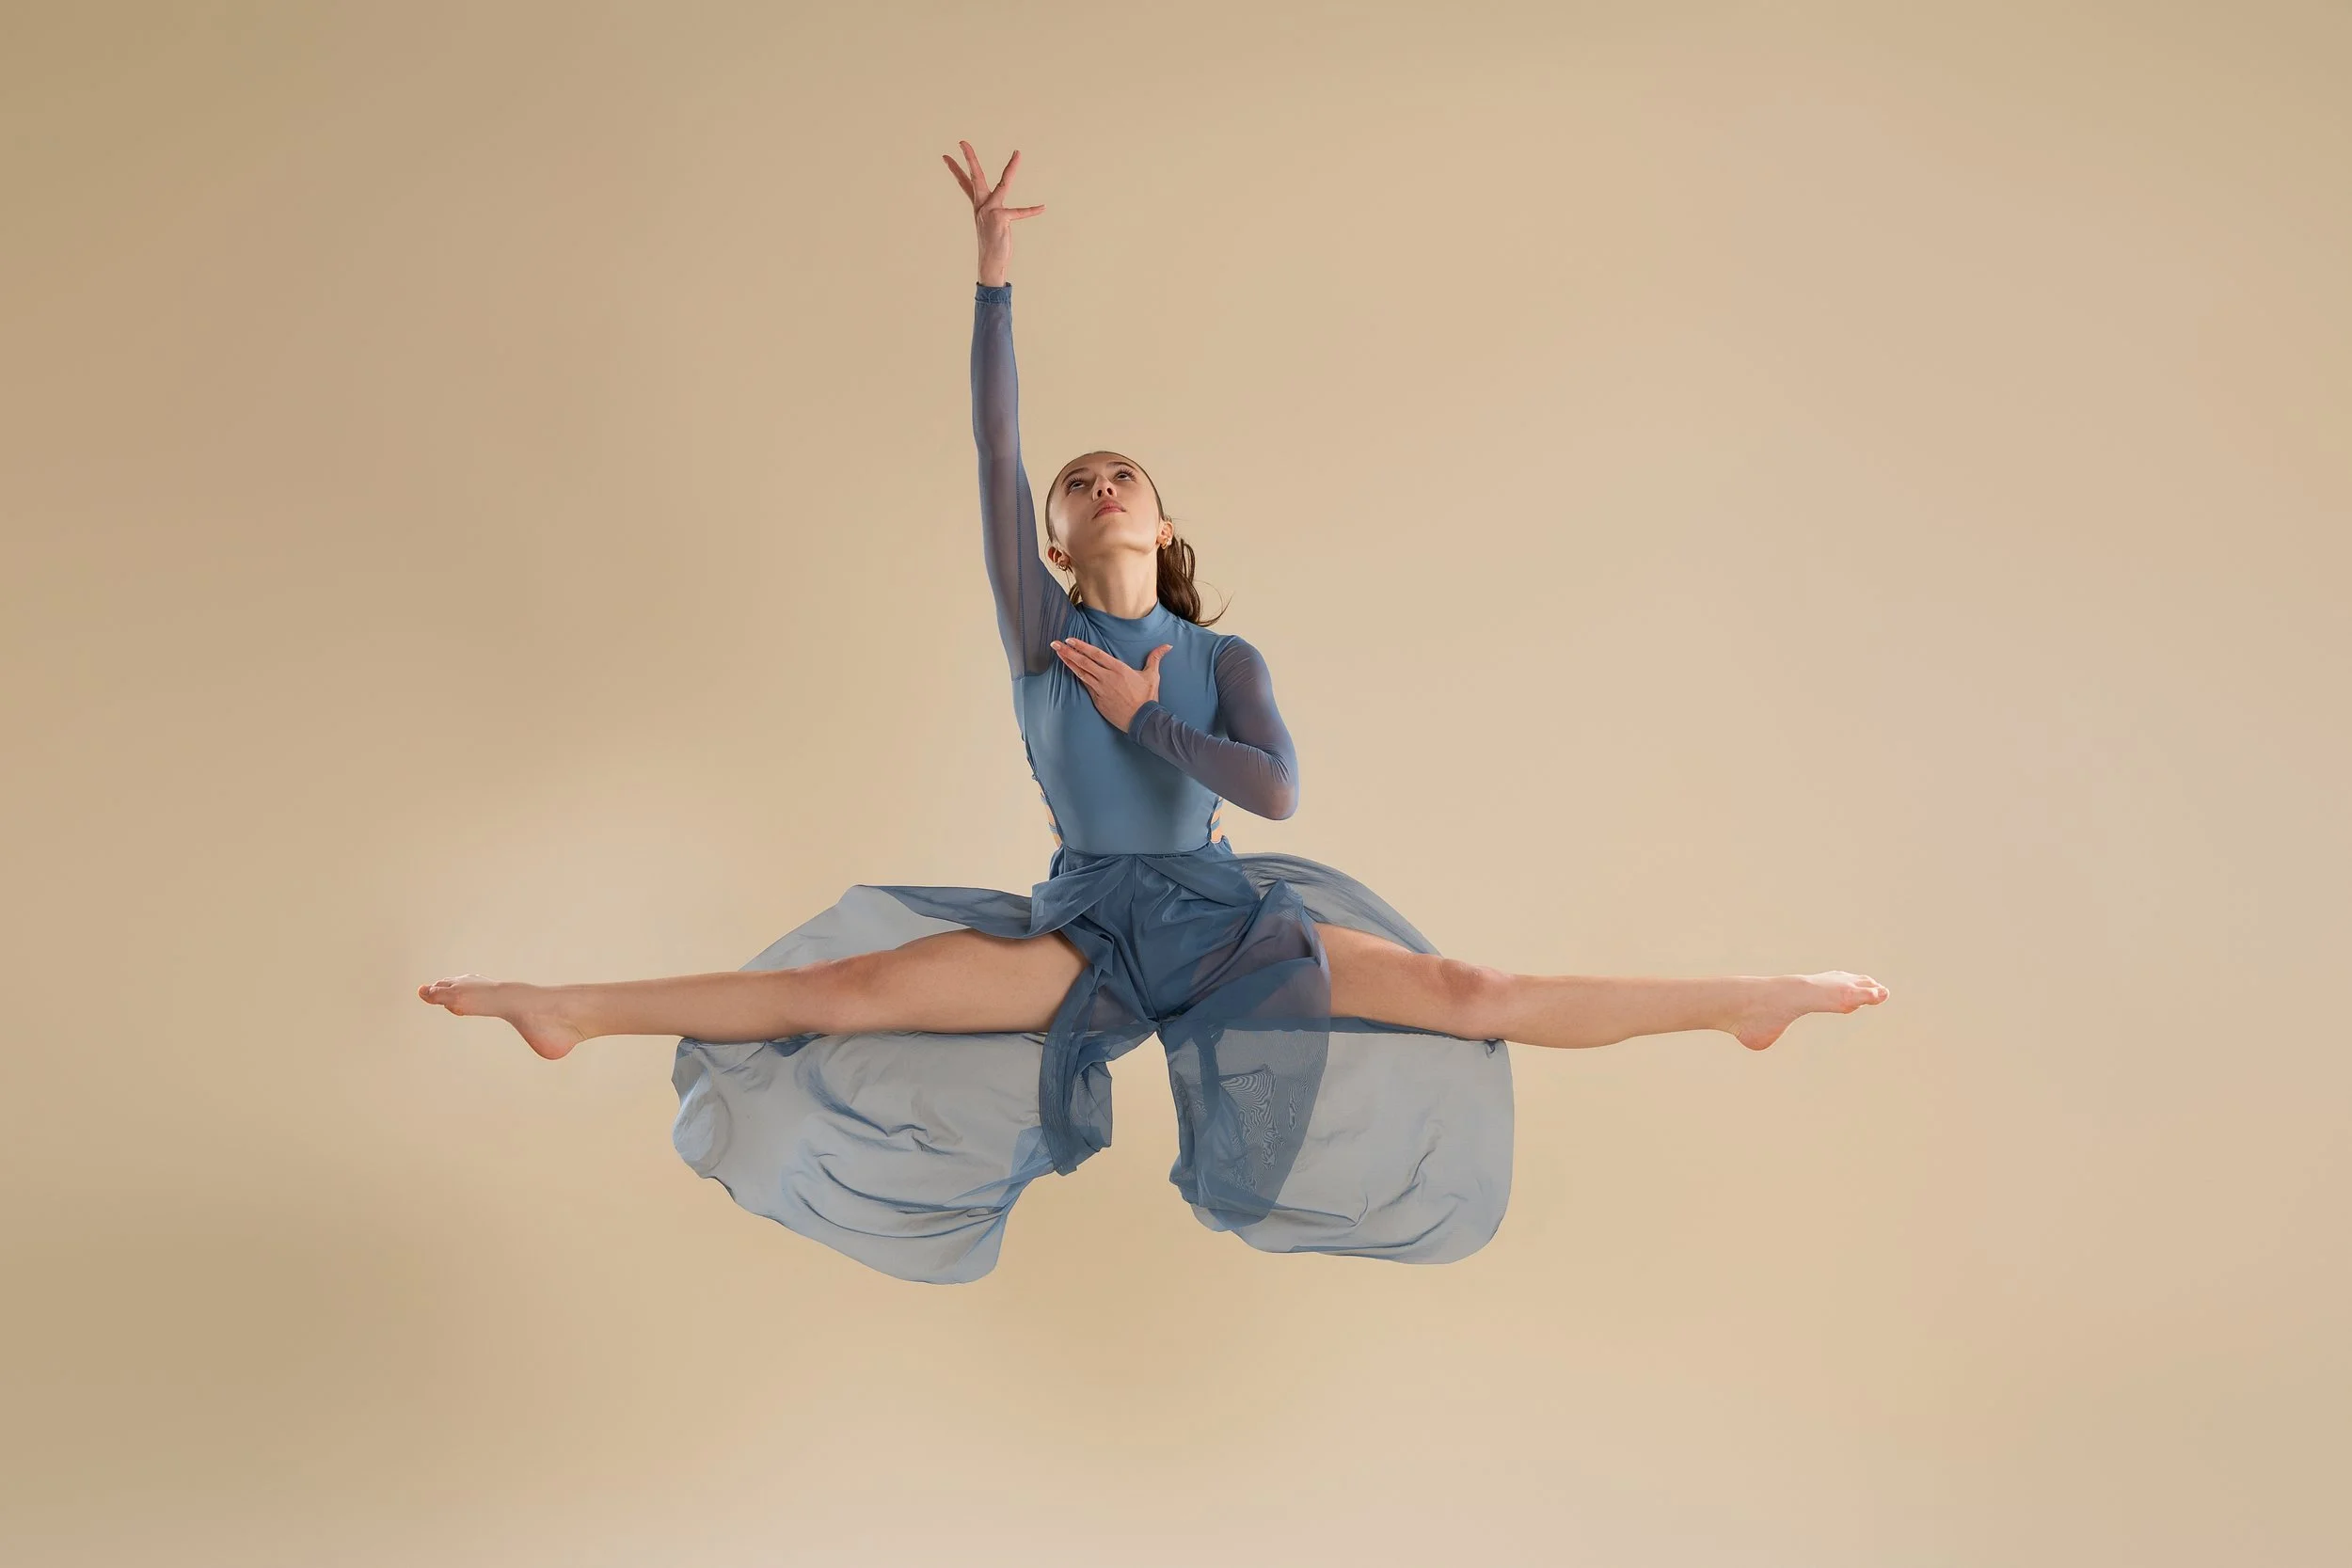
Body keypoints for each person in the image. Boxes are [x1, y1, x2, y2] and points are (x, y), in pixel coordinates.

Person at [417, 142, 1889, 1284]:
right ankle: (569, 1008)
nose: (1099, 484)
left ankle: (1744, 1001)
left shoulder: (1214, 658)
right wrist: (994, 279)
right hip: (1081, 928)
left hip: (1229, 916)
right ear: (1058, 542)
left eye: (1123, 474)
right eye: (1080, 484)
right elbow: (993, 443)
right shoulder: (1040, 623)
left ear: (1166, 517)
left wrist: (1147, 712)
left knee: (1471, 993)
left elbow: (1277, 794)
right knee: (845, 997)